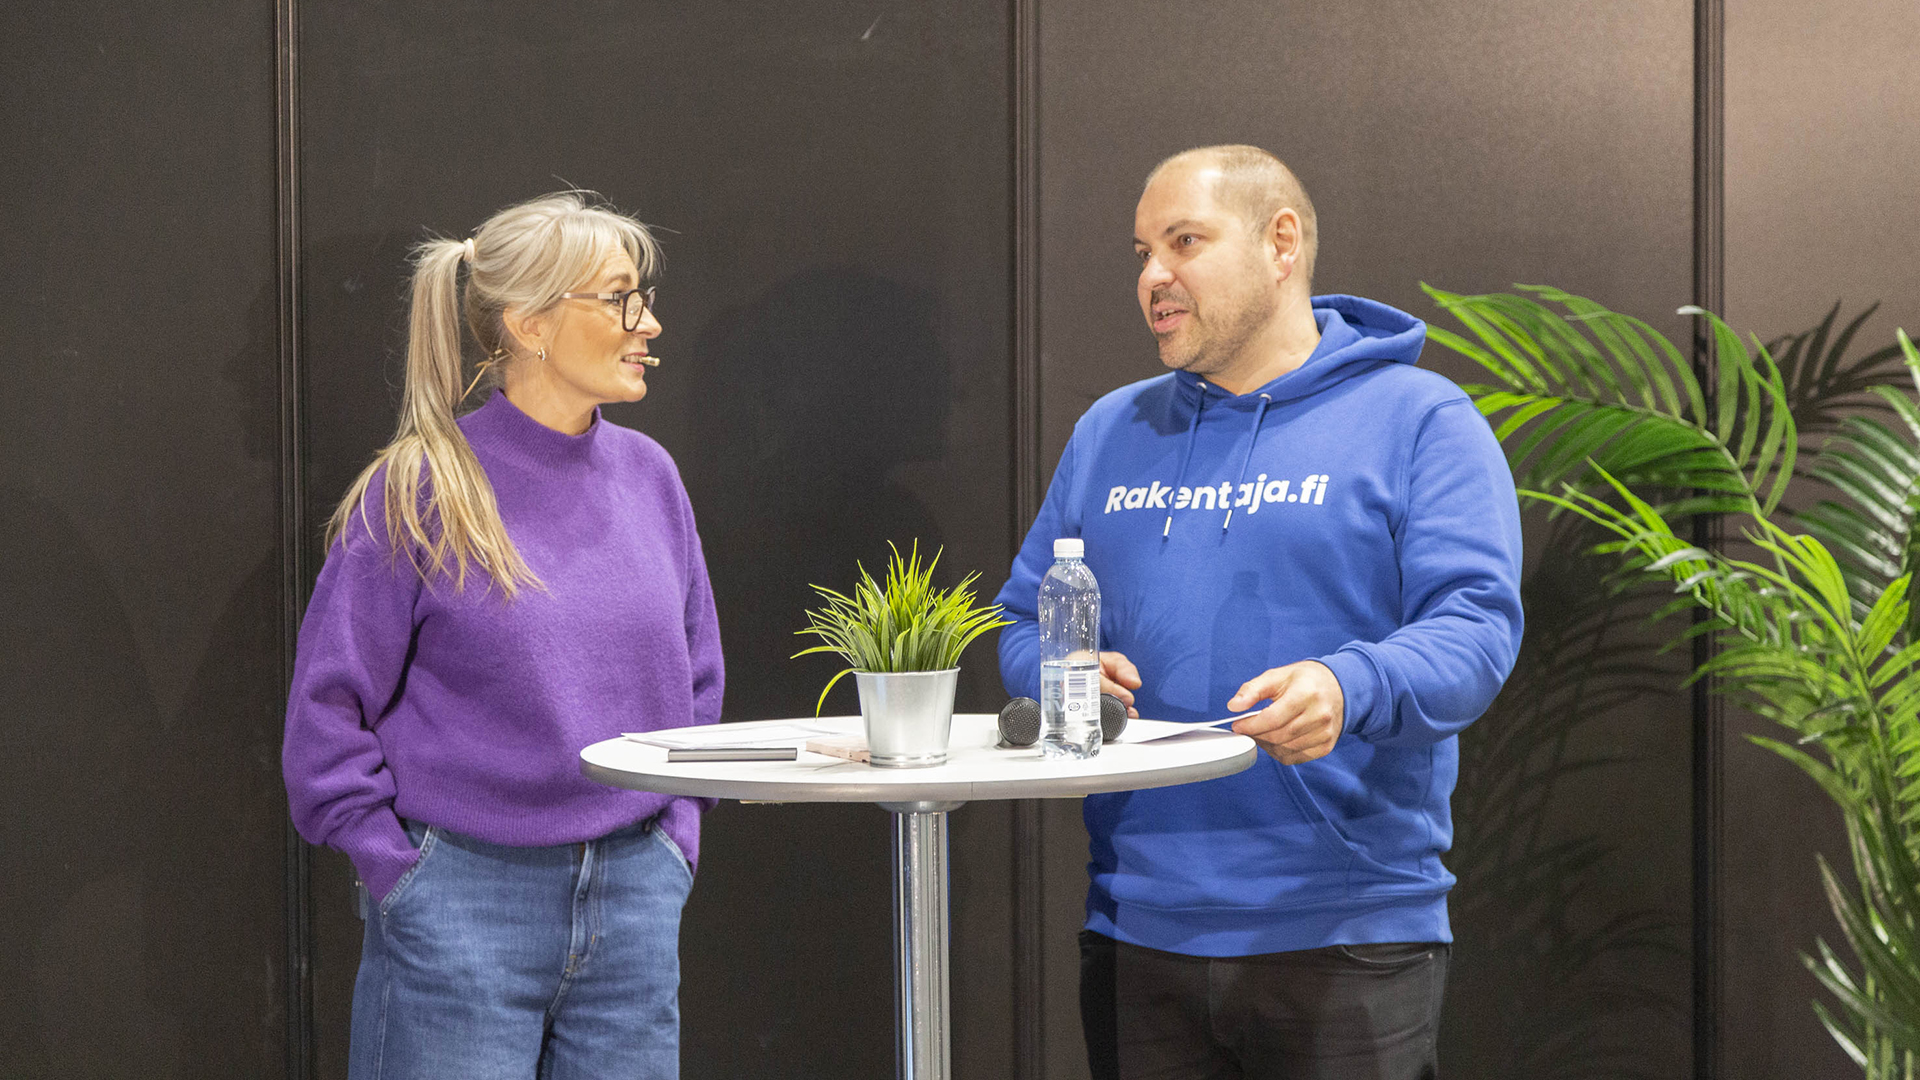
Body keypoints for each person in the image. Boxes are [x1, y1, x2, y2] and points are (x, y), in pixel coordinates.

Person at [995, 146, 1523, 1079]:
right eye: (1142, 253)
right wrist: (1058, 667)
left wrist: (1350, 685)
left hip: (1346, 931)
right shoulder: (1110, 431)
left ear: (1282, 243)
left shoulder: (1419, 418)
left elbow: (1476, 628)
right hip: (1136, 928)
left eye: (1184, 242)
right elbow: (1020, 620)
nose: (1153, 277)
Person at [282, 191, 723, 1079]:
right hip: (461, 906)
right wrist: (399, 874)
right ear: (529, 323)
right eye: (620, 299)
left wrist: (673, 843)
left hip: (634, 903)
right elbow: (326, 711)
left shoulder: (650, 477)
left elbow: (697, 680)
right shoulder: (423, 486)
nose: (649, 323)